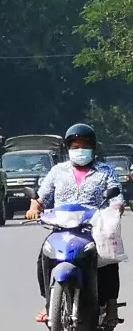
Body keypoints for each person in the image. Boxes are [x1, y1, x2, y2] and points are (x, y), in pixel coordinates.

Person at [26, 123, 124, 327]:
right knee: (44, 257)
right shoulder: (57, 171)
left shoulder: (105, 171)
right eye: (75, 146)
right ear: (68, 149)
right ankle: (48, 303)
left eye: (84, 146)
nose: (80, 150)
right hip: (61, 229)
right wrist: (34, 207)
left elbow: (117, 198)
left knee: (108, 260)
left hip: (93, 228)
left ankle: (111, 307)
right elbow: (41, 197)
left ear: (93, 148)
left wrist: (115, 209)